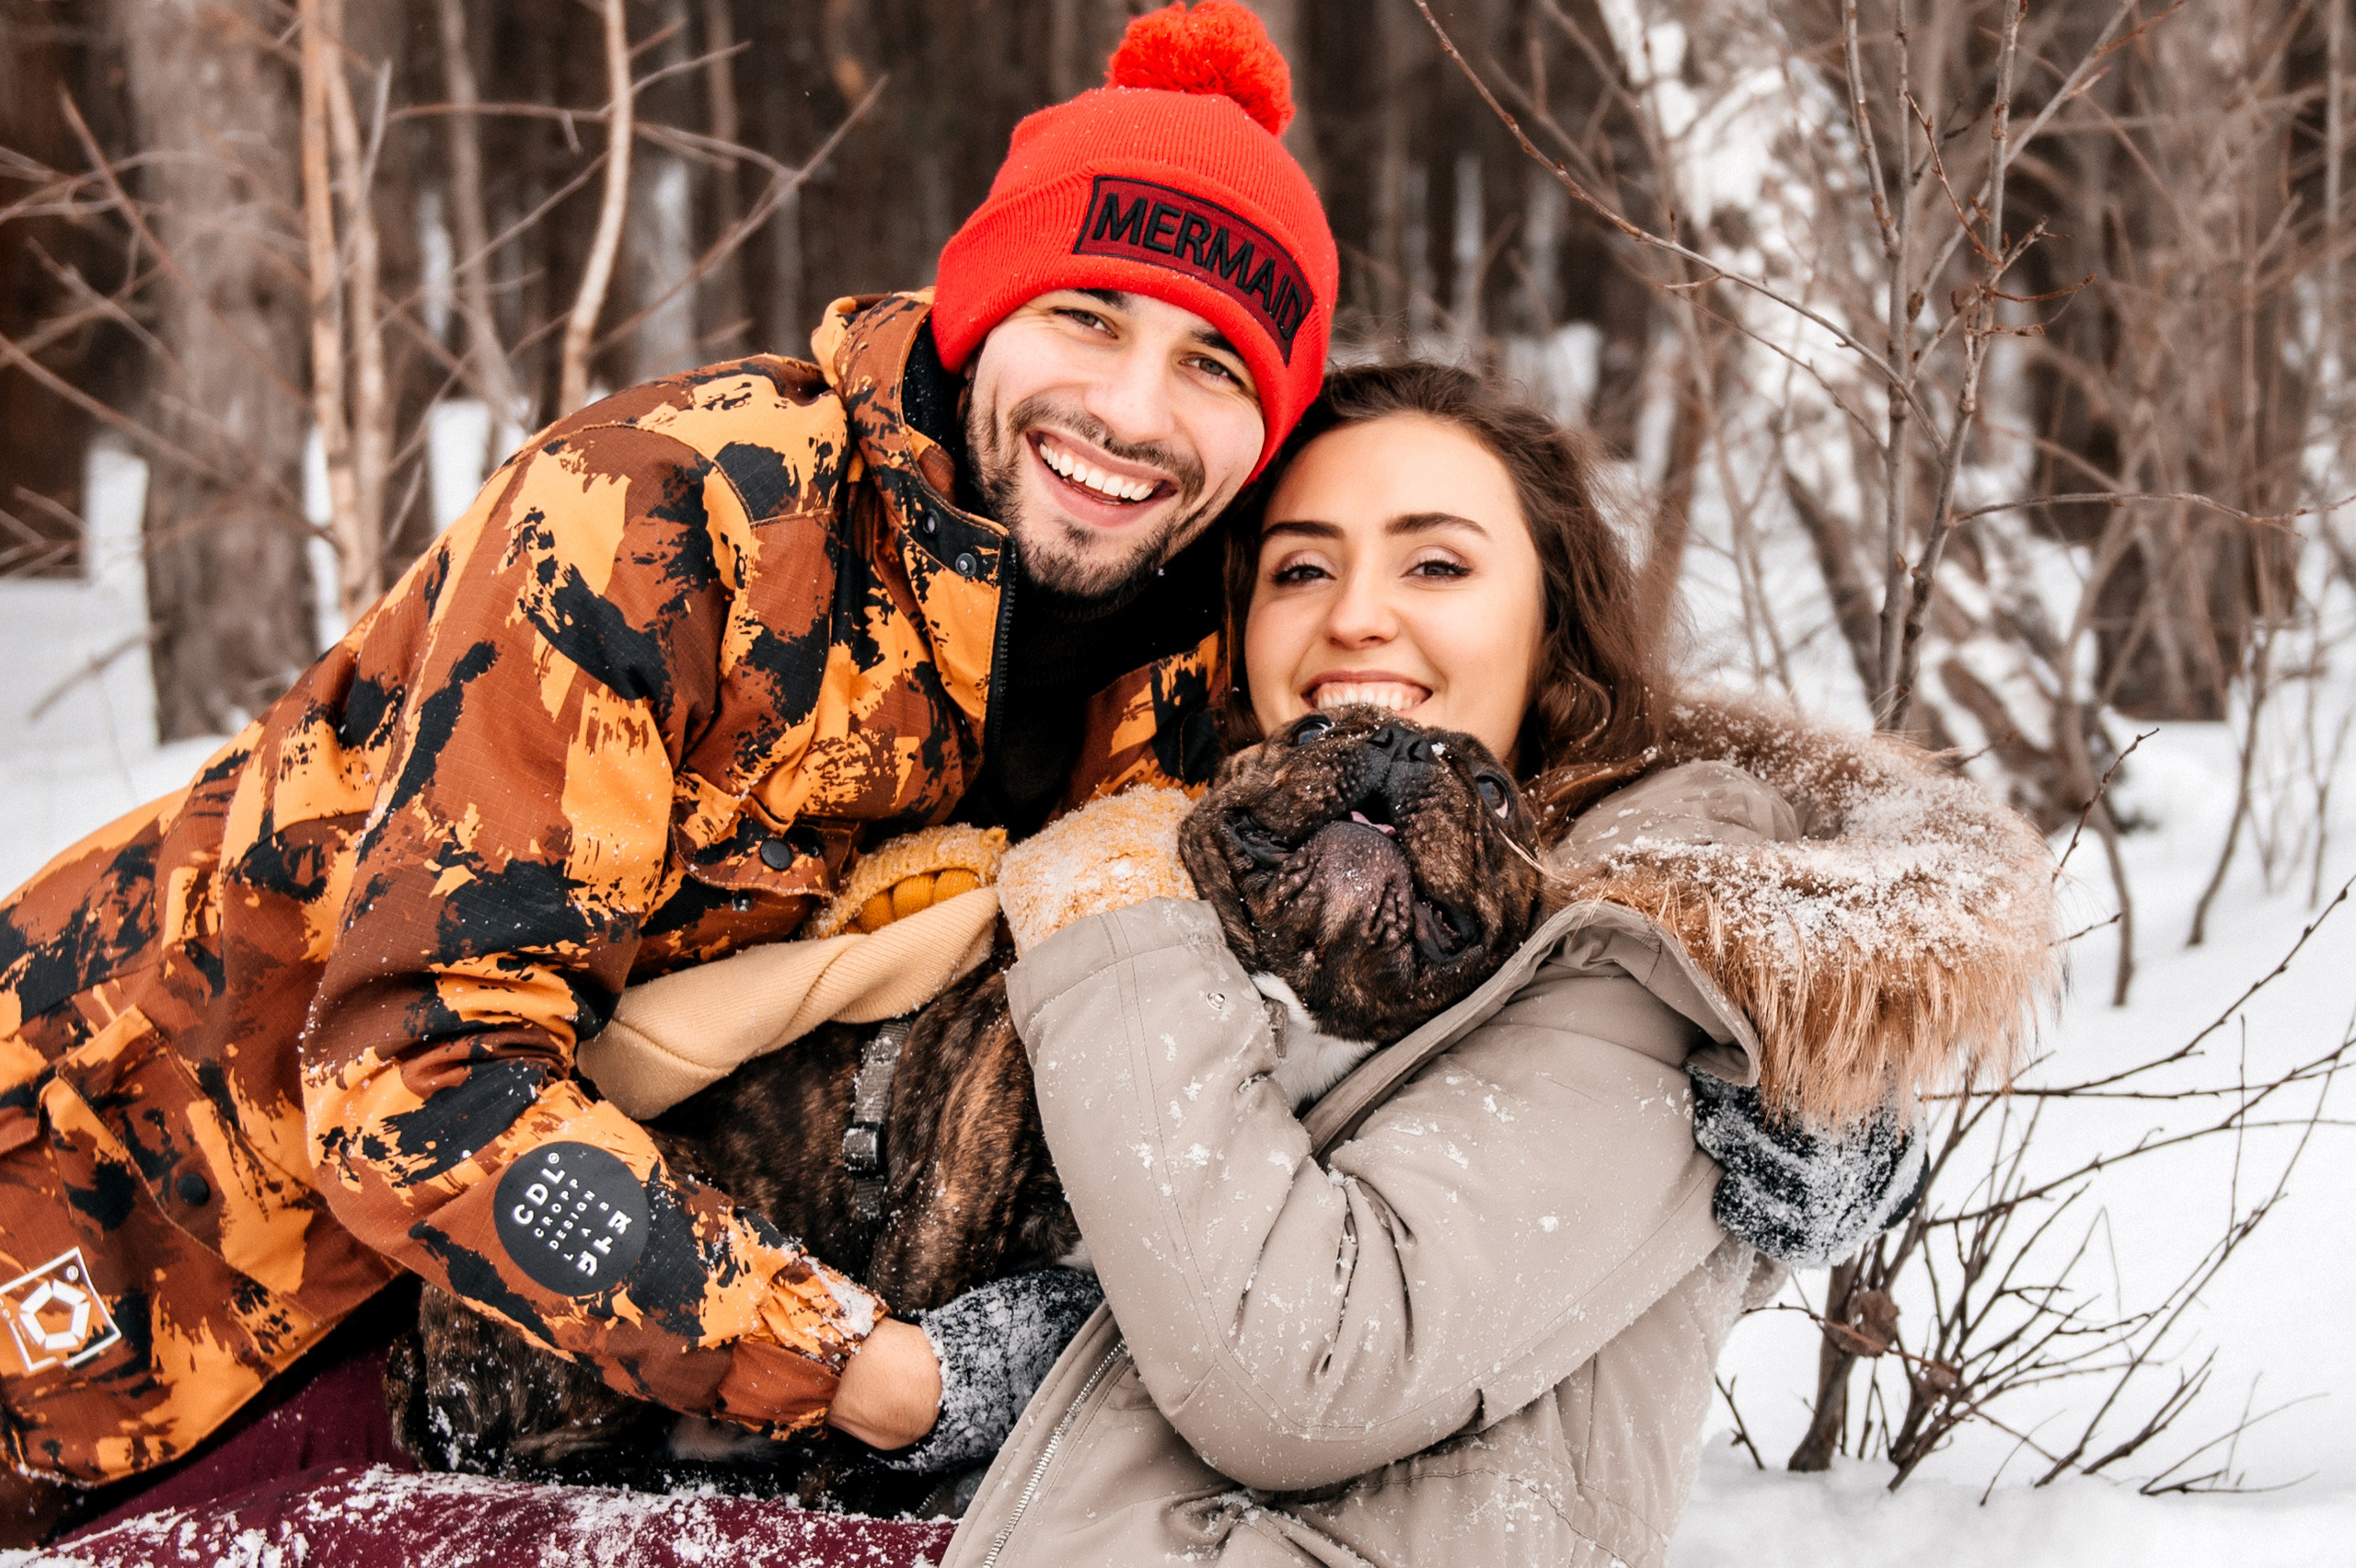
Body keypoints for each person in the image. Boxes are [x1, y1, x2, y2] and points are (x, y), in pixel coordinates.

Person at [0, 4, 1338, 1543]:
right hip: (141, 1232)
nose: (1131, 413)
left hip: (511, 1352)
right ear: (982, 306)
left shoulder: (1198, 659)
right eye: (1088, 316)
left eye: (1216, 363)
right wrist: (854, 1370)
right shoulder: (673, 510)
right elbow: (416, 1079)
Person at [955, 363, 2059, 1565]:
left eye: (1436, 563)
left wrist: (1111, 925)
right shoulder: (1194, 854)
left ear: (1555, 621)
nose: (1358, 615)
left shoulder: (1656, 915)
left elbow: (1304, 1368)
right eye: (1302, 568)